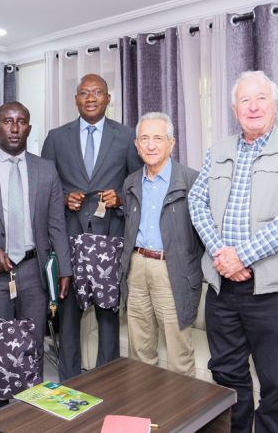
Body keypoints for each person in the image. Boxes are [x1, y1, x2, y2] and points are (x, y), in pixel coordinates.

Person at [188, 71, 278, 433]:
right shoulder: (219, 151)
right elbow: (196, 201)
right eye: (245, 100)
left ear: (275, 105)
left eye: (261, 98)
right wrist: (221, 254)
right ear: (234, 109)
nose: (253, 106)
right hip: (223, 287)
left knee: (276, 383)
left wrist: (242, 256)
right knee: (227, 375)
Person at [0, 101, 72, 410]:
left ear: (28, 127)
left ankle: (30, 413)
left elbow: (56, 223)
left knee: (31, 347)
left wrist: (64, 268)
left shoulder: (45, 168)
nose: (14, 128)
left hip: (31, 272)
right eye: (7, 121)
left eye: (21, 121)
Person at [41, 73, 142, 381]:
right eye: (84, 93)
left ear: (108, 98)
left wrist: (121, 198)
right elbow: (43, 188)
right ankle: (70, 385)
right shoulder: (56, 137)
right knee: (68, 320)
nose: (90, 98)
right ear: (76, 99)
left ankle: (106, 386)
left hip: (109, 241)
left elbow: (139, 185)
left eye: (97, 92)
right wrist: (61, 199)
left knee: (108, 321)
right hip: (68, 243)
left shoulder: (126, 136)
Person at [119, 112, 204, 376]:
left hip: (172, 270)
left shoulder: (192, 181)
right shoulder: (131, 182)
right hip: (137, 267)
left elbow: (204, 235)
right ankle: (147, 412)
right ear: (136, 145)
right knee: (139, 352)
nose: (151, 145)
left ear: (171, 143)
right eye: (144, 138)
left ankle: (184, 416)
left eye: (158, 138)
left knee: (179, 356)